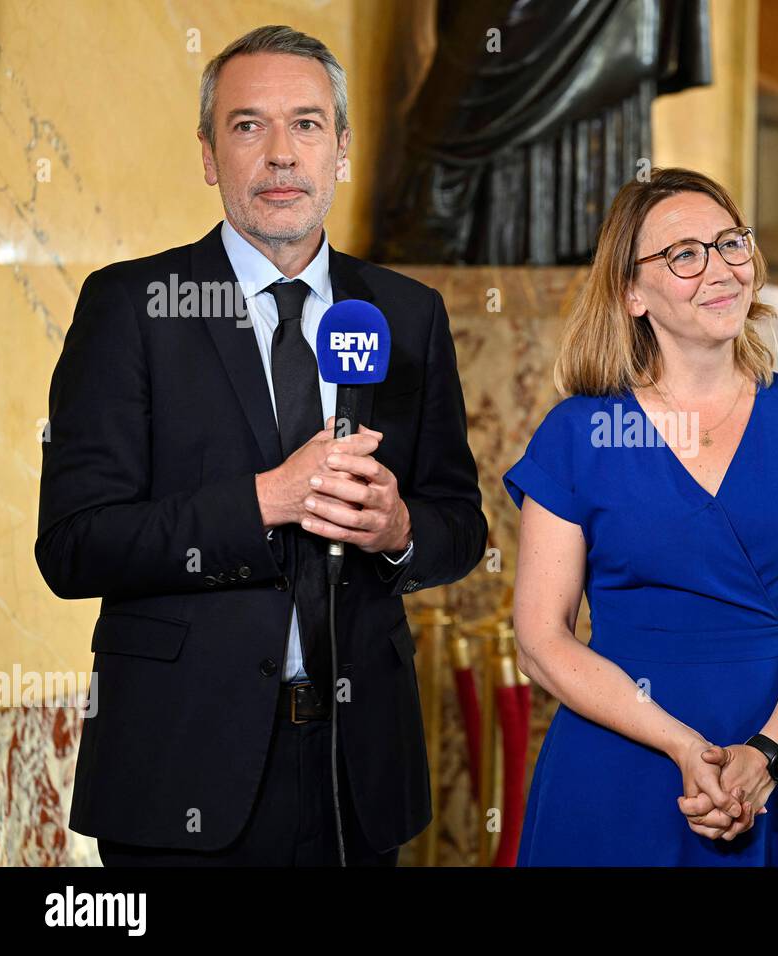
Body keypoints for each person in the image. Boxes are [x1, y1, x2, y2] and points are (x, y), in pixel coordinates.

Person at [35, 25, 487, 866]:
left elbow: (460, 522)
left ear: (342, 149)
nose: (282, 154)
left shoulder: (406, 311)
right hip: (179, 772)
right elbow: (73, 546)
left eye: (308, 125)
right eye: (249, 126)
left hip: (358, 773)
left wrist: (399, 532)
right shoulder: (131, 306)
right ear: (209, 153)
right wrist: (266, 500)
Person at [503, 167, 778, 866]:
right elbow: (541, 639)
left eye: (731, 243)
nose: (721, 269)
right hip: (624, 764)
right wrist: (681, 746)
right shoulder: (578, 434)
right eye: (684, 254)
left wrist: (769, 752)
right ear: (632, 292)